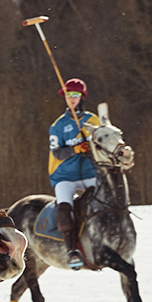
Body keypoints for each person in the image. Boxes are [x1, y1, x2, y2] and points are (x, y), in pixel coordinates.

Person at [47, 77, 101, 270]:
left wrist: (90, 148)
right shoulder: (58, 125)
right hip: (64, 175)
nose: (72, 99)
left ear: (82, 97)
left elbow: (101, 144)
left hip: (89, 172)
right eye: (69, 95)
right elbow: (58, 152)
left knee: (105, 199)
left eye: (75, 95)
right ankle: (72, 251)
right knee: (65, 207)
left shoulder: (92, 120)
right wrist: (77, 149)